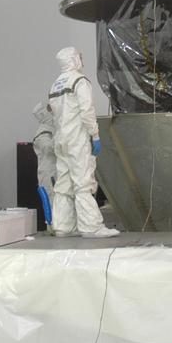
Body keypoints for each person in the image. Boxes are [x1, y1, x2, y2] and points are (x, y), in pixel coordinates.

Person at [49, 46, 119, 238]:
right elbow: (86, 110)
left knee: (63, 185)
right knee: (83, 183)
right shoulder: (79, 81)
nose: (81, 59)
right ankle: (91, 227)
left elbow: (55, 115)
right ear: (73, 59)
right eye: (79, 57)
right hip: (77, 139)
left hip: (60, 140)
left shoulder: (55, 85)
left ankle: (63, 226)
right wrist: (95, 135)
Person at [32, 100, 57, 228]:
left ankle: (58, 227)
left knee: (56, 200)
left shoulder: (52, 130)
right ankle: (54, 228)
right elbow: (48, 148)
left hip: (53, 172)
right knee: (51, 200)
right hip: (48, 173)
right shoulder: (43, 132)